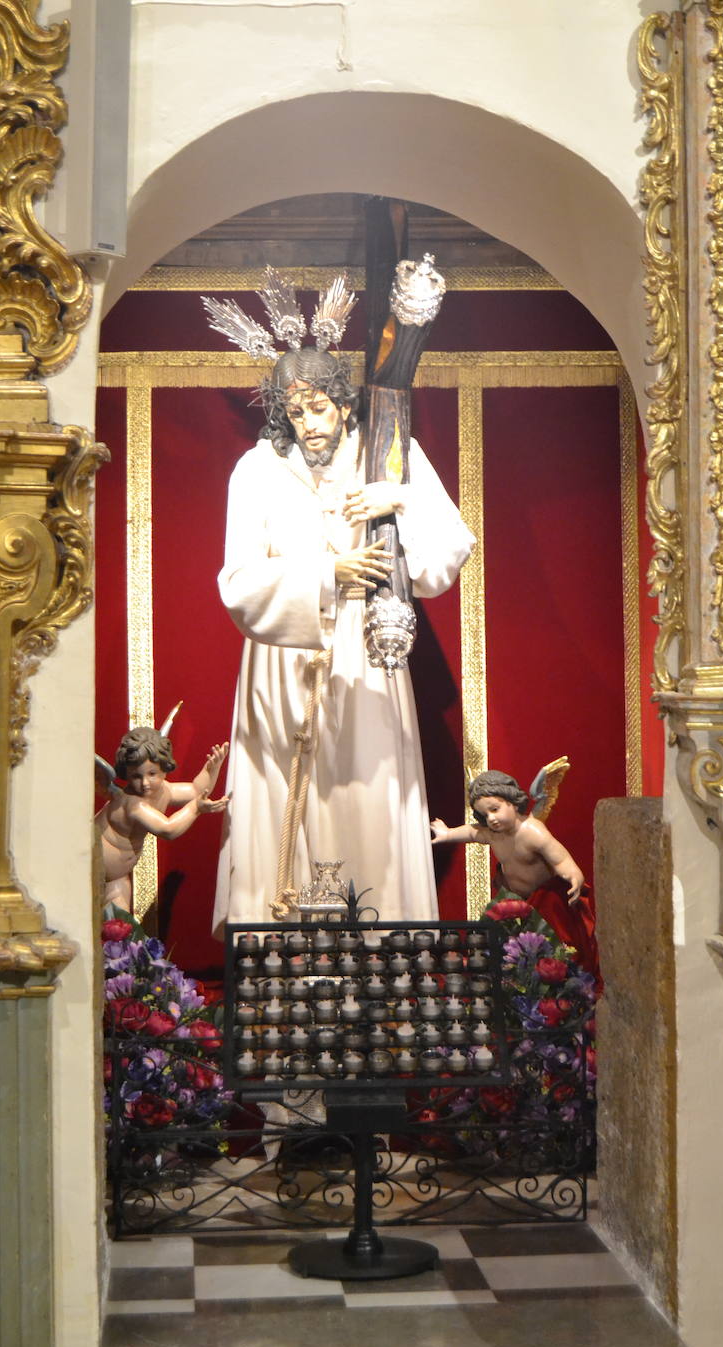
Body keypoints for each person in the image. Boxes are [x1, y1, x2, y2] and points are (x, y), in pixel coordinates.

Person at [212, 347, 475, 932]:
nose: (309, 424)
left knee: (371, 790)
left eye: (319, 407)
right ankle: (281, 946)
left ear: (344, 404)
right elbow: (237, 583)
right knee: (285, 795)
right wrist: (325, 575)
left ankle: (380, 943)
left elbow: (444, 559)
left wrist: (399, 499)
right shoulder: (256, 471)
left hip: (365, 652)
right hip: (283, 656)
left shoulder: (387, 451)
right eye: (296, 411)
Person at [431, 769, 601, 987]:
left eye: (495, 809)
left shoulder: (532, 832)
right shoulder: (493, 834)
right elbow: (472, 832)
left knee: (560, 950)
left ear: (513, 802)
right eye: (485, 814)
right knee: (517, 951)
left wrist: (574, 876)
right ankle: (520, 985)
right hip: (520, 902)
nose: (491, 818)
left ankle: (564, 987)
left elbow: (560, 860)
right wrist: (448, 833)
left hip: (549, 901)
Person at [96, 727, 229, 911]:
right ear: (126, 774)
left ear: (164, 769)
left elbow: (196, 790)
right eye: (136, 776)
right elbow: (168, 830)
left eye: (152, 774)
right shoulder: (133, 804)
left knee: (121, 930)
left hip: (116, 880)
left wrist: (211, 769)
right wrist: (195, 807)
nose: (144, 783)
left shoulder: (164, 790)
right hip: (93, 873)